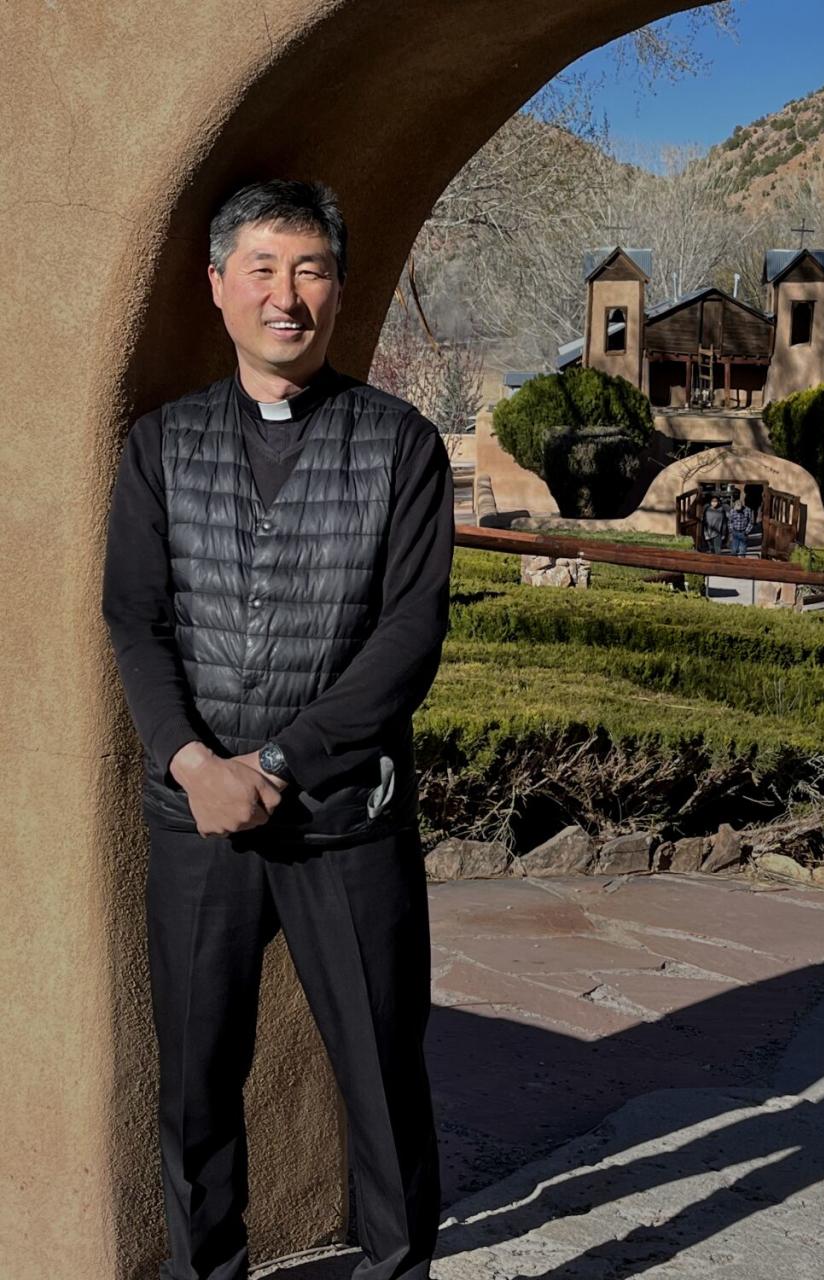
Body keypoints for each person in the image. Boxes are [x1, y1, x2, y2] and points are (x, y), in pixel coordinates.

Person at [102, 179, 454, 1280]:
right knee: (196, 1082)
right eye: (262, 268)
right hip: (196, 822)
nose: (285, 295)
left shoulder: (401, 445)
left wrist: (281, 759)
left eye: (308, 270)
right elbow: (134, 615)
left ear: (339, 292)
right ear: (218, 287)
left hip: (346, 819)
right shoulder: (159, 448)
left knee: (382, 1076)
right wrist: (195, 760)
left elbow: (408, 635)